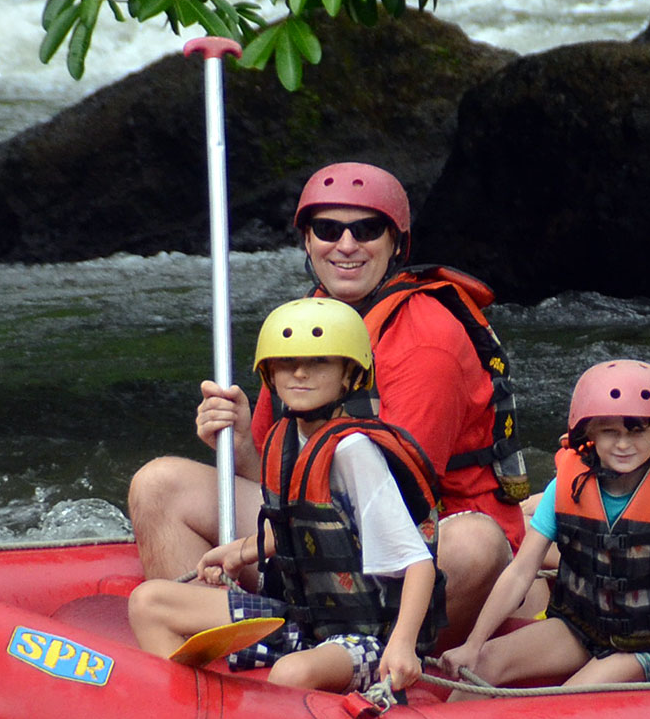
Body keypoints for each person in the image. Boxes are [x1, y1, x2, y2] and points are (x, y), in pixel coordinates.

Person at [125, 162, 520, 637]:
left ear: (397, 243)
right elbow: (277, 483)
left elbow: (395, 500)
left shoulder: (428, 339)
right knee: (158, 485)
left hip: (416, 537)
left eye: (367, 229)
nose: (346, 246)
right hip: (322, 530)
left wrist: (255, 546)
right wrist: (241, 444)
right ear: (308, 242)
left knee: (475, 544)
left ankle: (355, 650)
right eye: (328, 229)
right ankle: (227, 647)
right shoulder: (304, 325)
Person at [126, 299, 442, 695]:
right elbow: (309, 528)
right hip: (298, 619)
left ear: (349, 375)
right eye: (285, 363)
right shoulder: (285, 438)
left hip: (364, 639)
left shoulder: (354, 451)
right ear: (269, 374)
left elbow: (417, 562)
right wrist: (241, 552)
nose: (300, 373)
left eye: (320, 362)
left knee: (292, 673)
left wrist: (402, 644)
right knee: (149, 602)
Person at [441, 360, 650, 688]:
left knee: (567, 699)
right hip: (581, 625)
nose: (623, 444)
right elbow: (520, 571)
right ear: (588, 433)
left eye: (637, 430)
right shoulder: (565, 488)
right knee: (484, 665)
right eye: (610, 431)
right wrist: (473, 645)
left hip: (647, 644)